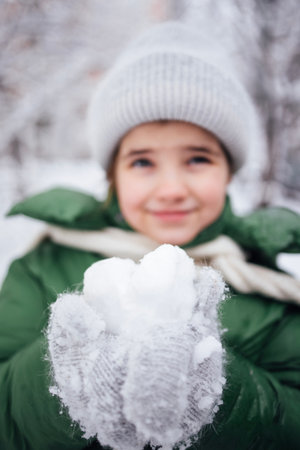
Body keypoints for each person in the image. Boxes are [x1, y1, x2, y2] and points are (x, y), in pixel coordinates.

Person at [1, 21, 300, 450]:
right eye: (143, 162)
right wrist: (57, 384)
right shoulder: (41, 267)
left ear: (229, 170)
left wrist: (223, 391)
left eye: (197, 158)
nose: (172, 188)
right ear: (113, 176)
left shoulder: (268, 287)